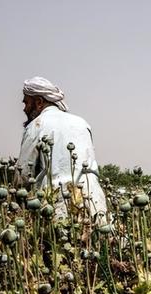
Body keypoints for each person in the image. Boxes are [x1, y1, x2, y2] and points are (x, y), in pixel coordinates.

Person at [17, 76, 107, 222]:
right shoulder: (81, 123)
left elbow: (23, 176)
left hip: (57, 207)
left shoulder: (36, 125)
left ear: (39, 102)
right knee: (94, 244)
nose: (24, 108)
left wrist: (16, 205)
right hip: (94, 205)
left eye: (26, 103)